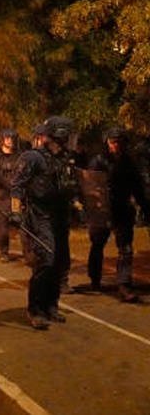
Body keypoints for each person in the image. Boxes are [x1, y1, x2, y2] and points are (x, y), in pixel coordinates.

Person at [10, 116, 80, 330]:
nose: (65, 142)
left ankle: (51, 305)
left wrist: (78, 206)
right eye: (62, 138)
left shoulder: (65, 159)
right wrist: (15, 211)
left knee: (59, 263)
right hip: (40, 217)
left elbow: (71, 186)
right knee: (46, 261)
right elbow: (17, 186)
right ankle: (36, 309)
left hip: (60, 217)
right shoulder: (33, 158)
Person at [84, 127, 150, 302]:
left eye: (120, 142)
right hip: (102, 210)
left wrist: (145, 206)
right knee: (97, 244)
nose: (116, 145)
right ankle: (95, 278)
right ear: (107, 142)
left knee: (125, 248)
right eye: (113, 142)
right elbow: (90, 184)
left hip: (121, 209)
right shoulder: (98, 161)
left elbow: (137, 187)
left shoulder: (129, 163)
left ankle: (124, 284)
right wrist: (93, 201)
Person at [0, 128, 29, 263]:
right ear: (2, 140)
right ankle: (3, 251)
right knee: (3, 229)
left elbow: (26, 173)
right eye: (7, 138)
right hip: (2, 197)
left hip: (18, 196)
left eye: (12, 138)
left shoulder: (20, 156)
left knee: (23, 228)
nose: (10, 140)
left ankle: (27, 254)